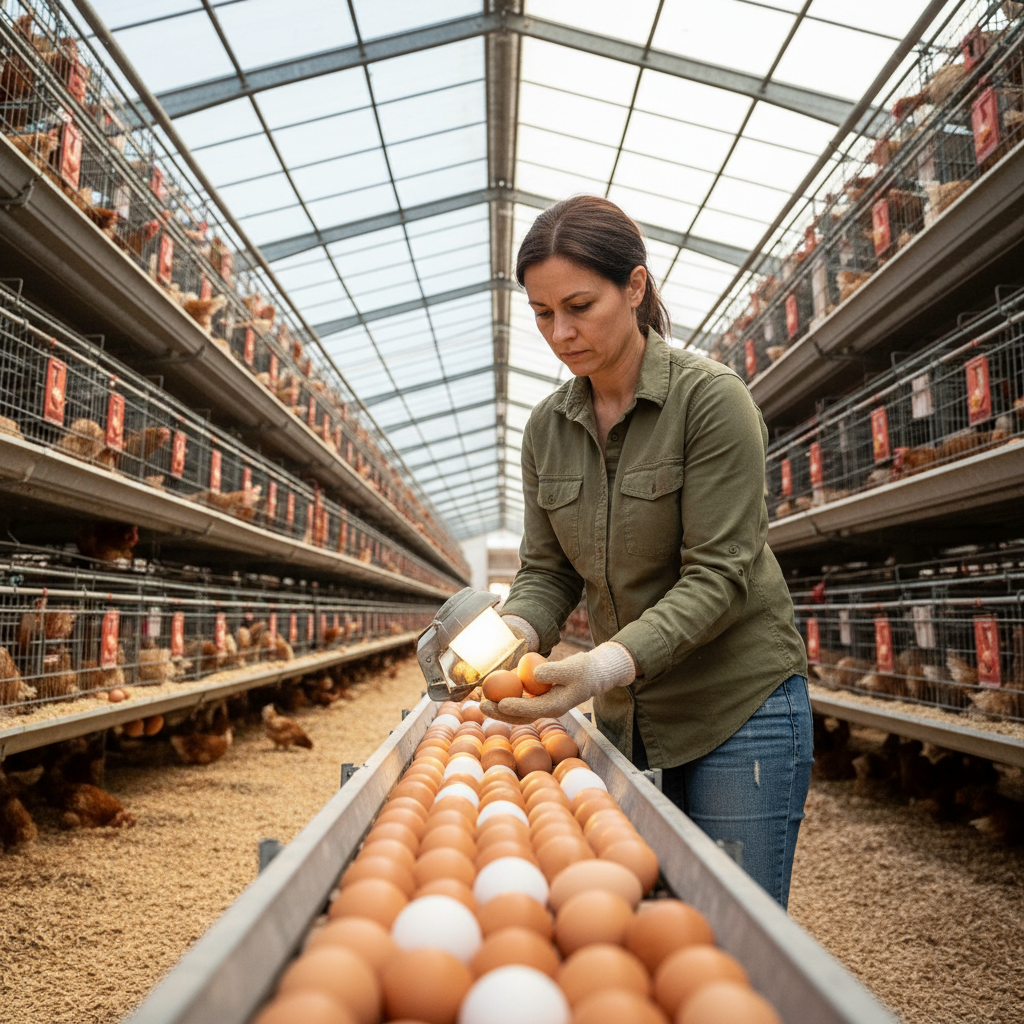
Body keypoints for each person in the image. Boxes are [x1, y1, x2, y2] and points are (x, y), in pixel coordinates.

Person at [481, 195, 813, 909]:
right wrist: (513, 631)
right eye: (542, 314)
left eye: (579, 304)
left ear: (634, 287)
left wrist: (598, 666)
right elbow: (546, 572)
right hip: (632, 716)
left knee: (733, 930)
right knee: (653, 922)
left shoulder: (710, 402)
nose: (561, 332)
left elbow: (720, 576)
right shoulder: (547, 429)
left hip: (738, 706)